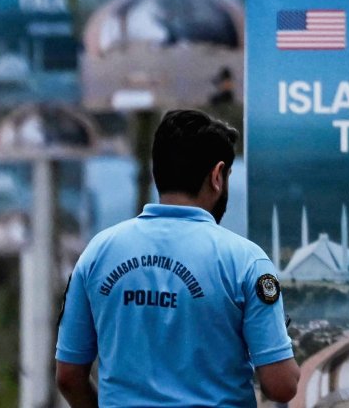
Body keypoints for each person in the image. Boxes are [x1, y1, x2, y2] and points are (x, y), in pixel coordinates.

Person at [55, 109, 299, 407]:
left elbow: (68, 376)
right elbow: (281, 385)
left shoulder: (97, 253)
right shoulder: (246, 262)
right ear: (217, 176)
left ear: (158, 171)